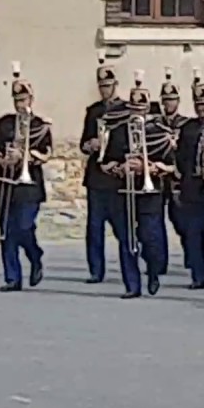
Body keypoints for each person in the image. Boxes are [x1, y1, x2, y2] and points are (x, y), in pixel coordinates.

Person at [99, 71, 177, 297]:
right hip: (123, 191)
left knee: (150, 238)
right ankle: (132, 285)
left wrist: (150, 168)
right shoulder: (118, 133)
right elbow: (105, 162)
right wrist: (120, 167)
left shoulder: (160, 134)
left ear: (147, 110)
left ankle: (153, 271)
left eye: (140, 110)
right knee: (127, 239)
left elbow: (172, 166)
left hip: (150, 193)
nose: (136, 115)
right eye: (132, 110)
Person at [0, 62, 52, 291]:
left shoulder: (40, 126)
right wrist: (3, 160)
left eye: (23, 100)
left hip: (30, 186)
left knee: (24, 227)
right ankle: (12, 278)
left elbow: (46, 153)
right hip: (7, 185)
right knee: (6, 233)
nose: (20, 105)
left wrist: (24, 155)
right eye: (17, 101)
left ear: (31, 100)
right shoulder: (4, 123)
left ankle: (35, 256)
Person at [79, 53, 126, 284]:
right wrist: (90, 145)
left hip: (116, 177)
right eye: (101, 86)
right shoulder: (93, 111)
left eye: (108, 86)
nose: (104, 90)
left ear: (115, 85)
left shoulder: (125, 110)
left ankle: (132, 261)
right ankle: (96, 270)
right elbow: (83, 143)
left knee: (121, 226)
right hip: (96, 178)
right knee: (94, 227)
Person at [174, 71, 204, 289]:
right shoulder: (188, 128)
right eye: (198, 104)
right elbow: (180, 156)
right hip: (193, 187)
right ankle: (198, 276)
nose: (201, 108)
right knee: (193, 233)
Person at [157, 69, 190, 269]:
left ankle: (190, 253)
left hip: (177, 177)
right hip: (159, 177)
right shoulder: (156, 123)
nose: (169, 103)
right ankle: (160, 261)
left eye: (172, 99)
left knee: (180, 220)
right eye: (166, 99)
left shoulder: (185, 124)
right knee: (156, 221)